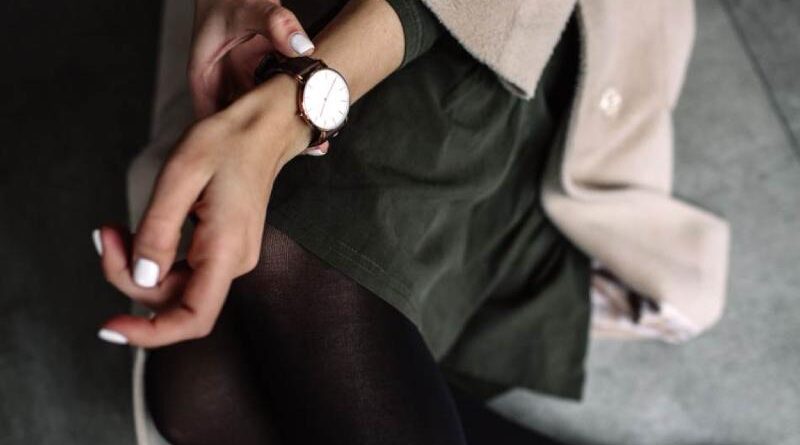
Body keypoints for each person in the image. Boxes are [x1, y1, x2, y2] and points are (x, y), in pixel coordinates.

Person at [93, 0, 729, 443]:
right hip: (297, 33)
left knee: (218, 374)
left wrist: (285, 114)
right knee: (209, 386)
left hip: (494, 25)